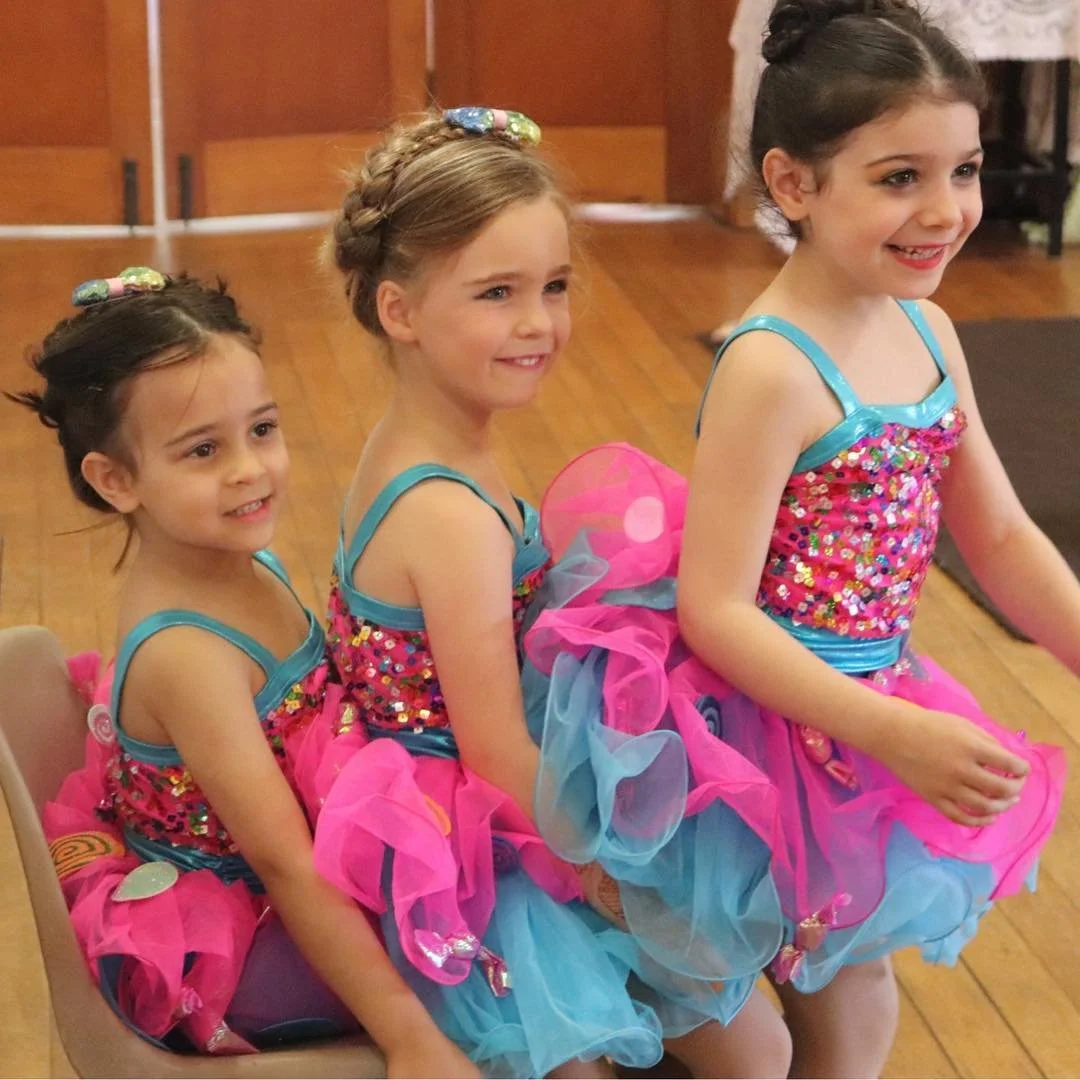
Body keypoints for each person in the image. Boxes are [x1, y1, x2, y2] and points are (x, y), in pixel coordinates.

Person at [520, 3, 1069, 1076]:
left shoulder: (928, 331)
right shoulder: (772, 368)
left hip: (868, 712)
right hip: (752, 728)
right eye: (899, 177)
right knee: (735, 1002)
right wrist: (894, 735)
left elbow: (997, 535)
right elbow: (715, 611)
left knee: (857, 987)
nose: (946, 211)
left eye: (963, 171)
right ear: (792, 185)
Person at [305, 107, 793, 1078]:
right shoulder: (444, 512)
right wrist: (615, 872)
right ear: (399, 311)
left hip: (495, 793)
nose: (539, 323)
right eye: (498, 293)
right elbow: (489, 747)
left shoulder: (438, 441)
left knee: (753, 1036)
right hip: (473, 840)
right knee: (685, 1046)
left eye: (555, 286)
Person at [8, 268, 476, 1076]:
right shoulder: (185, 654)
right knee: (501, 957)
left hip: (313, 867)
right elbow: (285, 864)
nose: (249, 469)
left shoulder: (241, 560)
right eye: (203, 450)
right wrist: (408, 1036)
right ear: (115, 479)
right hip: (250, 932)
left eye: (261, 429)